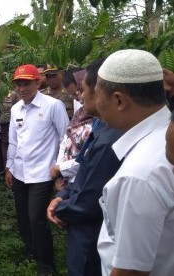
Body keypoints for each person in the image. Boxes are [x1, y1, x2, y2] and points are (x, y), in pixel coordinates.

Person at [95, 49, 174, 275]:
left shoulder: (139, 176)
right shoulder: (164, 139)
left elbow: (131, 271)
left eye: (97, 93)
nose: (89, 99)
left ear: (119, 100)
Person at [47, 58, 123, 276]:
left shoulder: (111, 138)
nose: (80, 97)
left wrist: (60, 207)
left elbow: (89, 198)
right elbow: (82, 161)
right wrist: (64, 193)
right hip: (78, 208)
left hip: (91, 228)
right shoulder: (102, 125)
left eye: (84, 90)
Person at [5, 64, 69, 276]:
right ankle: (30, 251)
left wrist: (59, 169)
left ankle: (46, 264)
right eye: (18, 84)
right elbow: (13, 142)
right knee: (23, 217)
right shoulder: (16, 109)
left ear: (37, 83)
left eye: (26, 83)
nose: (22, 88)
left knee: (36, 219)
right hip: (20, 171)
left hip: (43, 172)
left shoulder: (53, 106)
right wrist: (9, 167)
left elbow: (65, 139)